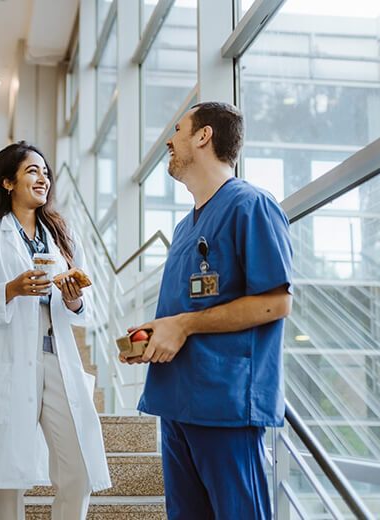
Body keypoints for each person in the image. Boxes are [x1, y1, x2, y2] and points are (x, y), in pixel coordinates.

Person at [123, 102, 293, 519]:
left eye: (177, 129)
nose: (168, 138)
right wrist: (154, 334)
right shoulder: (185, 228)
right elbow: (192, 307)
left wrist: (182, 325)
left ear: (203, 136)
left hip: (225, 404)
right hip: (177, 401)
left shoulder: (250, 205)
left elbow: (276, 302)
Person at [0, 141, 111, 520]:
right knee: (8, 480)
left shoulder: (62, 236)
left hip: (57, 357)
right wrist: (11, 289)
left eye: (46, 172)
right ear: (8, 182)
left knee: (80, 468)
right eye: (32, 171)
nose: (44, 178)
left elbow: (82, 308)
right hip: (11, 359)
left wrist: (73, 299)